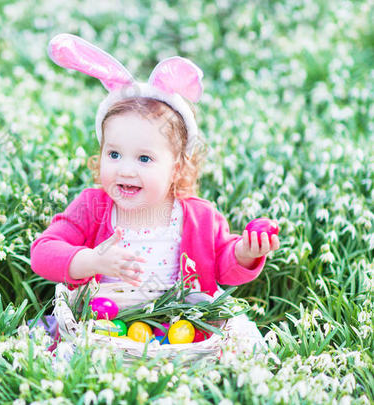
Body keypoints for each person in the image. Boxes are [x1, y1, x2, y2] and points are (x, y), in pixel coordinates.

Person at [29, 34, 280, 348]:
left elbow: (223, 266)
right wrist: (92, 261)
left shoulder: (199, 217)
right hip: (104, 327)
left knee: (238, 347)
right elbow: (42, 253)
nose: (126, 169)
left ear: (175, 168)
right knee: (66, 352)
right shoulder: (92, 206)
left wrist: (245, 254)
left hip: (179, 330)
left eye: (144, 158)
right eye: (114, 154)